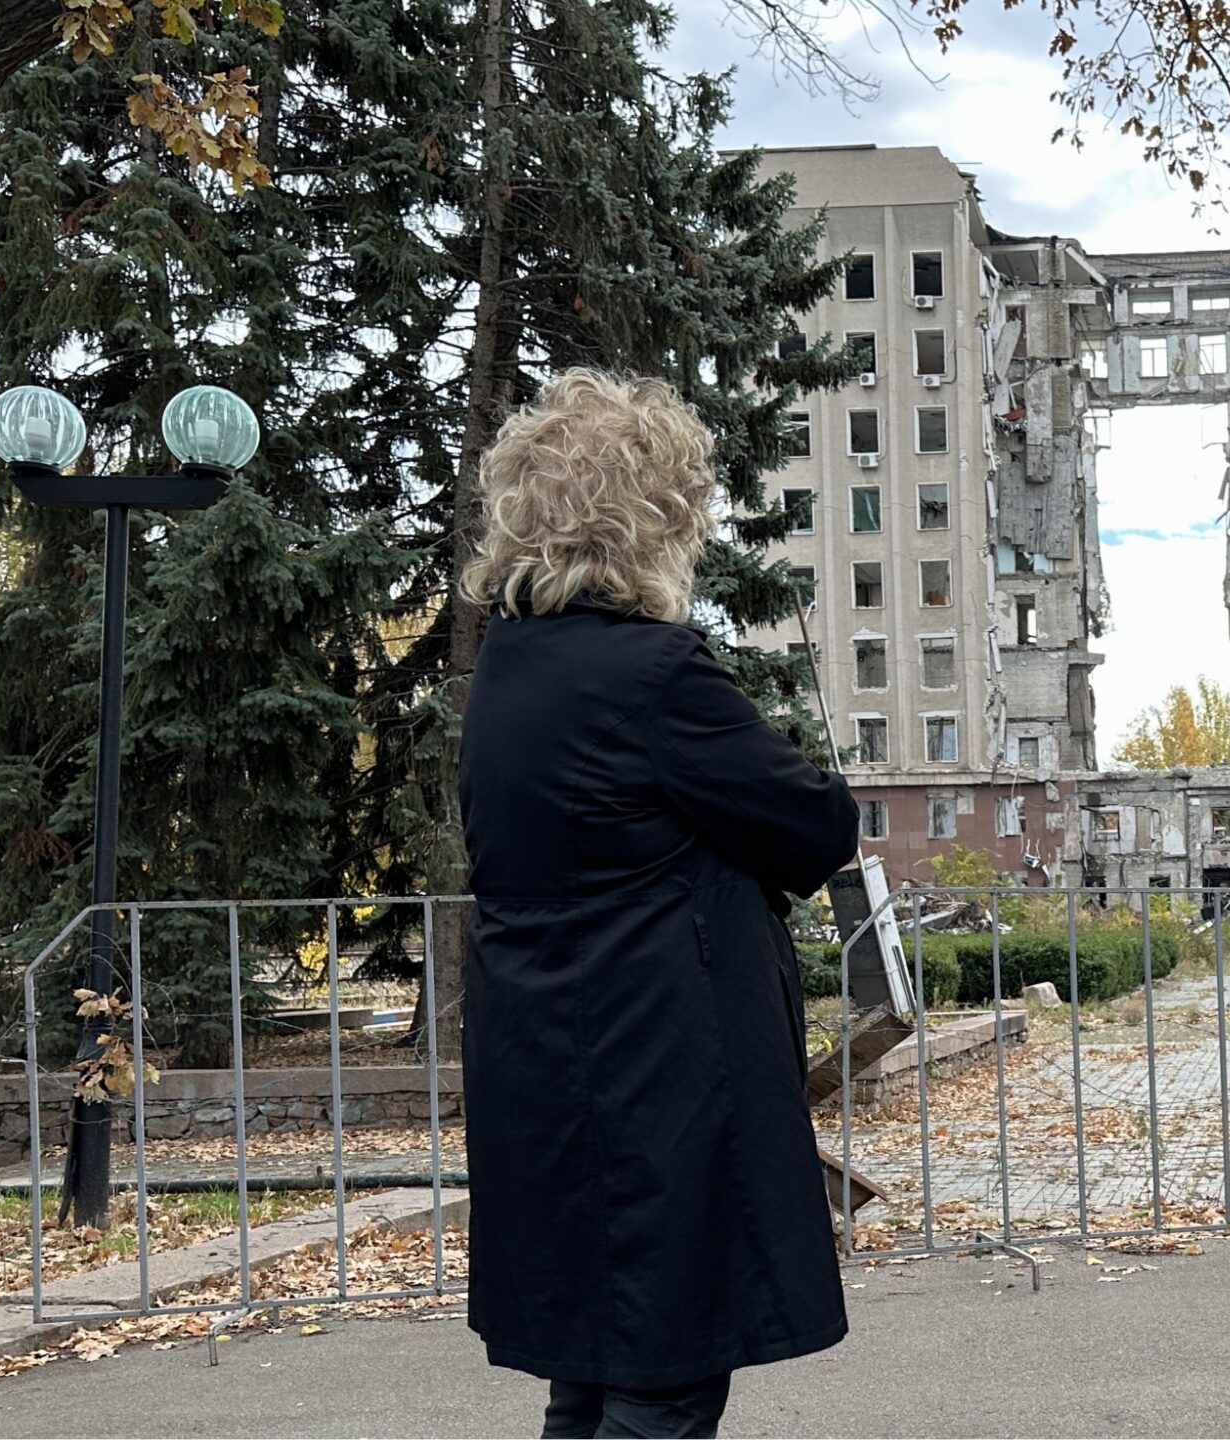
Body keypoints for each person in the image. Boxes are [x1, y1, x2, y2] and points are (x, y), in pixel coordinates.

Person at [457, 369, 860, 1438]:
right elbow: (813, 827)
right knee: (666, 1376)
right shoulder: (654, 674)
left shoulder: (510, 667)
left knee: (592, 1371)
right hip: (659, 1075)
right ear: (656, 517)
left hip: (553, 1067)